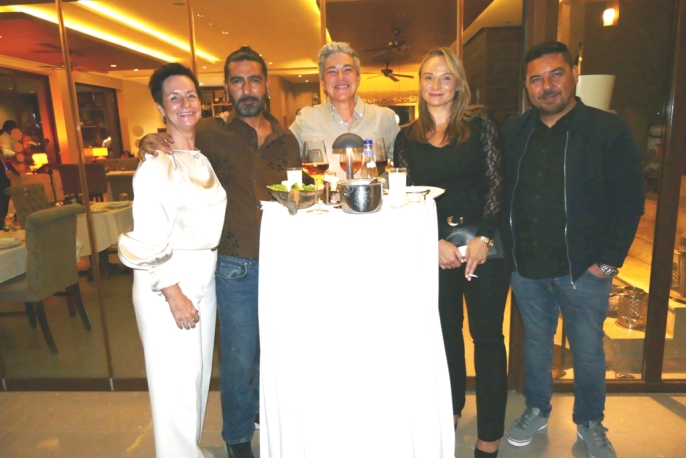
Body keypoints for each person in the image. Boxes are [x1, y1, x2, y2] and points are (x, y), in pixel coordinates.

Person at [139, 46, 301, 458]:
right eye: (237, 81)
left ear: (266, 84)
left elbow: (297, 197)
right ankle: (237, 439)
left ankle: (268, 420)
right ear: (227, 87)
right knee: (238, 358)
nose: (247, 89)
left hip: (281, 262)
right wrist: (147, 140)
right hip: (233, 266)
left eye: (254, 79)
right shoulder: (210, 132)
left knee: (276, 351)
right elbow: (171, 146)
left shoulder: (288, 139)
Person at [502, 41, 644, 458]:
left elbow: (630, 200)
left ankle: (590, 422)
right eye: (536, 79)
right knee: (536, 345)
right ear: (526, 86)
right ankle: (536, 409)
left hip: (584, 270)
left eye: (556, 74)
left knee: (587, 350)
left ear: (574, 74)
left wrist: (609, 261)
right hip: (527, 267)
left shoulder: (607, 130)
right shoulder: (514, 132)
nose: (546, 86)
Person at [393, 47, 510, 458]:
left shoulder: (480, 125)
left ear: (458, 83)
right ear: (420, 84)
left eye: (446, 77)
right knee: (444, 335)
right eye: (429, 77)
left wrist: (485, 238)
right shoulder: (406, 137)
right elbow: (402, 199)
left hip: (483, 247)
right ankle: (451, 409)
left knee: (488, 338)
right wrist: (431, 244)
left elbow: (496, 184)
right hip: (434, 247)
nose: (437, 85)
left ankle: (489, 434)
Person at [118, 63, 227, 458]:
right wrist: (173, 292)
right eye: (174, 98)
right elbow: (147, 235)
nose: (185, 103)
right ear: (161, 108)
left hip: (203, 276)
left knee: (194, 380)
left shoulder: (196, 155)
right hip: (168, 281)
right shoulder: (158, 162)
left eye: (191, 95)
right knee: (174, 389)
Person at [289, 42, 399, 177]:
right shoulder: (306, 119)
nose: (340, 77)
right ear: (322, 82)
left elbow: (405, 166)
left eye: (347, 70)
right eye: (332, 71)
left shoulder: (385, 117)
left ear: (358, 78)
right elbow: (282, 162)